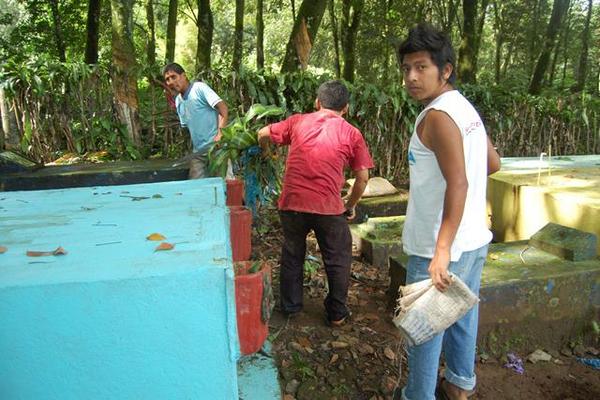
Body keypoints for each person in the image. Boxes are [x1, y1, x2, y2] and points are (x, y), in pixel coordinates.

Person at [396, 24, 501, 400]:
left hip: (438, 247)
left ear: (446, 69)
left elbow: (459, 183)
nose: (411, 77)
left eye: (421, 67)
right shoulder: (464, 106)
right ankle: (459, 385)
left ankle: (418, 395)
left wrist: (441, 250)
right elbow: (492, 163)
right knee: (461, 315)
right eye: (407, 67)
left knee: (424, 329)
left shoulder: (437, 116)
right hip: (474, 240)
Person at [257, 80, 374, 326]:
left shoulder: (298, 121)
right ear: (346, 108)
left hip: (292, 204)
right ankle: (337, 313)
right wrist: (349, 205)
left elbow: (263, 133)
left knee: (292, 253)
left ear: (317, 102)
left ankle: (290, 307)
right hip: (328, 208)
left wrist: (267, 152)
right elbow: (362, 178)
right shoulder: (351, 133)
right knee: (338, 257)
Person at [163, 63, 229, 179]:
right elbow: (189, 128)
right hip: (199, 152)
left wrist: (220, 134)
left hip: (217, 147)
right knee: (196, 185)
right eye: (167, 79)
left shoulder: (199, 88)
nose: (171, 82)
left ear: (183, 76)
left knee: (225, 185)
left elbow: (223, 108)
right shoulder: (178, 101)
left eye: (174, 77)